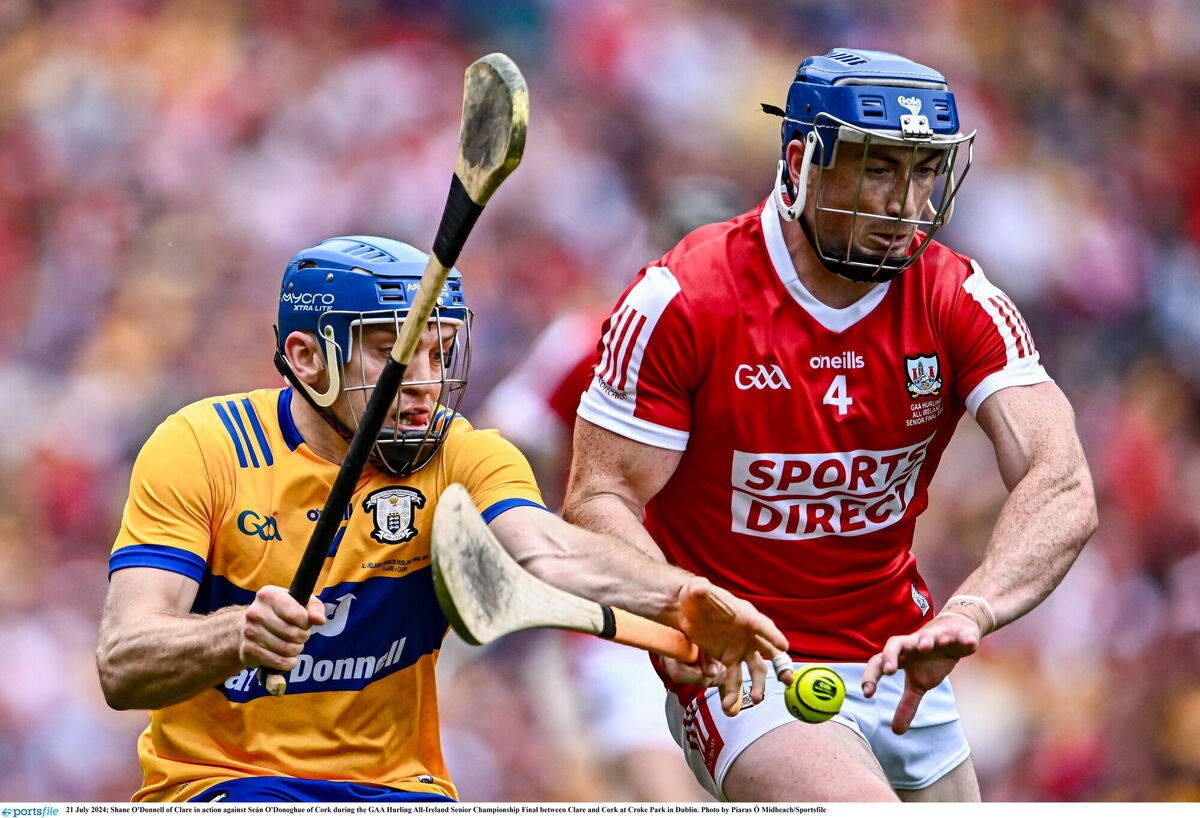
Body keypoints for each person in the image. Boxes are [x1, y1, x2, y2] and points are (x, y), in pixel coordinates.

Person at [564, 48, 1098, 802]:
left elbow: (1063, 480)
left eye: (924, 172)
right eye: (881, 168)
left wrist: (973, 610)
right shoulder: (685, 297)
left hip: (898, 661)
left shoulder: (957, 296)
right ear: (800, 161)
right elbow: (596, 497)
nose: (907, 204)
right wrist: (680, 597)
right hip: (749, 669)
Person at [95, 236, 791, 803]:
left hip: (402, 792)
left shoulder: (462, 452)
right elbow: (124, 662)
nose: (426, 381)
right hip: (225, 788)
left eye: (439, 351)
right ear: (307, 358)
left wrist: (681, 596)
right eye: (392, 351)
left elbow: (549, 552)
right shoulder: (203, 448)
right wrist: (235, 633)